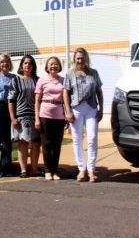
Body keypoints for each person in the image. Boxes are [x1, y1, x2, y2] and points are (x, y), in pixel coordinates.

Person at [63, 48, 104, 183]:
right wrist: (67, 110)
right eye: (78, 58)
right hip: (76, 109)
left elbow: (99, 91)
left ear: (86, 58)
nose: (80, 60)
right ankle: (82, 169)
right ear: (74, 59)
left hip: (91, 108)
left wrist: (101, 109)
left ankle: (91, 169)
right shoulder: (70, 74)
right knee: (77, 139)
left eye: (82, 58)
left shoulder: (94, 73)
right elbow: (65, 93)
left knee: (92, 138)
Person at [35, 56, 71, 181]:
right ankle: (47, 171)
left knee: (57, 145)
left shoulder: (63, 80)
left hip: (59, 116)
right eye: (51, 64)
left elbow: (66, 99)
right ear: (47, 66)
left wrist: (67, 114)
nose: (53, 66)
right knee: (46, 144)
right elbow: (37, 101)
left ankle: (55, 170)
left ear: (59, 66)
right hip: (45, 115)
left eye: (56, 64)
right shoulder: (42, 80)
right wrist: (37, 119)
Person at [9, 54, 41, 178]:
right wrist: (13, 118)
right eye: (25, 63)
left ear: (33, 66)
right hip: (20, 117)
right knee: (22, 143)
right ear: (22, 65)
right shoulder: (16, 80)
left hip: (35, 117)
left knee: (36, 143)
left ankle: (34, 169)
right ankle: (23, 170)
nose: (28, 65)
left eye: (30, 63)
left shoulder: (37, 80)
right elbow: (11, 100)